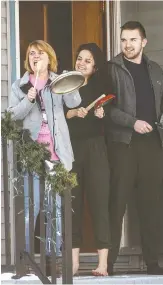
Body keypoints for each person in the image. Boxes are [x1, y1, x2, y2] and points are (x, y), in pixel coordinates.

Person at [106, 21, 163, 275]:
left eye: (133, 40)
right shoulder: (111, 69)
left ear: (144, 42)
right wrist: (133, 123)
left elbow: (161, 105)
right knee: (117, 203)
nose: (127, 45)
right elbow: (107, 109)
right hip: (125, 145)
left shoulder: (155, 70)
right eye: (124, 40)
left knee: (151, 205)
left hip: (153, 145)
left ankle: (152, 263)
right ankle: (107, 263)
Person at [8, 40, 81, 259]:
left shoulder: (56, 81)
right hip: (32, 156)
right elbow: (11, 116)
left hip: (57, 155)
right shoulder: (20, 85)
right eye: (31, 53)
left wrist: (69, 81)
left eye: (40, 53)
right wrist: (29, 99)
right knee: (32, 207)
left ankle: (52, 259)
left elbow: (74, 102)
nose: (35, 57)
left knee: (56, 208)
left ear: (50, 57)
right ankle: (26, 258)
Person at [65, 43, 111, 276]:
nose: (81, 63)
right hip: (71, 148)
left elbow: (109, 114)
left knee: (99, 202)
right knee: (73, 203)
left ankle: (102, 264)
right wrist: (72, 112)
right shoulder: (65, 84)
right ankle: (73, 263)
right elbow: (56, 115)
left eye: (88, 60)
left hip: (96, 147)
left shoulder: (101, 86)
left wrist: (101, 112)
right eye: (79, 58)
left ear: (95, 66)